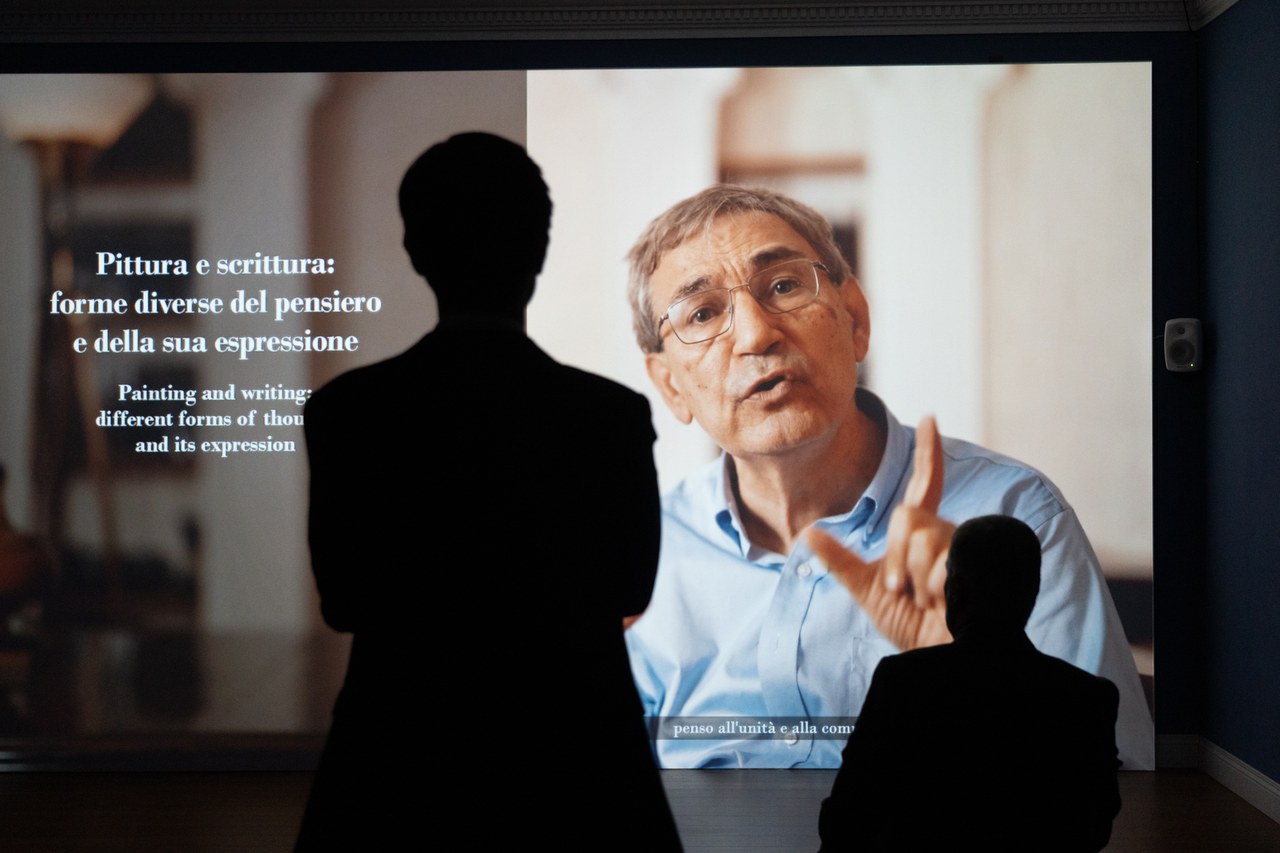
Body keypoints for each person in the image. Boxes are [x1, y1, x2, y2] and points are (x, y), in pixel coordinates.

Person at [622, 184, 1153, 770]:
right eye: (703, 313)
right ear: (670, 385)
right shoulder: (647, 548)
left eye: (784, 286)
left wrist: (974, 672)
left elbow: (1119, 782)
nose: (755, 335)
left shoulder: (1012, 516)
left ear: (855, 320)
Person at [296, 132, 681, 850]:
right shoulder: (608, 416)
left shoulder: (350, 411)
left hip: (394, 772)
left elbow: (344, 597)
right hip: (580, 772)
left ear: (416, 250)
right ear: (538, 250)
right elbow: (631, 585)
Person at [817, 514, 1122, 852]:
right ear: (1033, 591)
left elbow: (847, 818)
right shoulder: (1088, 697)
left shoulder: (904, 681)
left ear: (955, 590)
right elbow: (1094, 829)